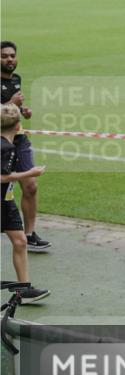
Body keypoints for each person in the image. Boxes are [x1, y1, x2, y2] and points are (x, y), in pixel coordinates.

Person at [0, 41, 52, 252]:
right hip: (2, 142)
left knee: (31, 186)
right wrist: (11, 103)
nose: (9, 59)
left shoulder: (16, 79)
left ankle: (29, 234)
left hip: (19, 138)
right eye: (4, 56)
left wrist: (23, 110)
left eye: (12, 55)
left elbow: (12, 110)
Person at [1, 104, 49, 303]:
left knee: (20, 242)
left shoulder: (8, 146)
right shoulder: (4, 148)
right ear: (18, 125)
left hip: (6, 201)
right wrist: (31, 173)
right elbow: (2, 177)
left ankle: (23, 290)